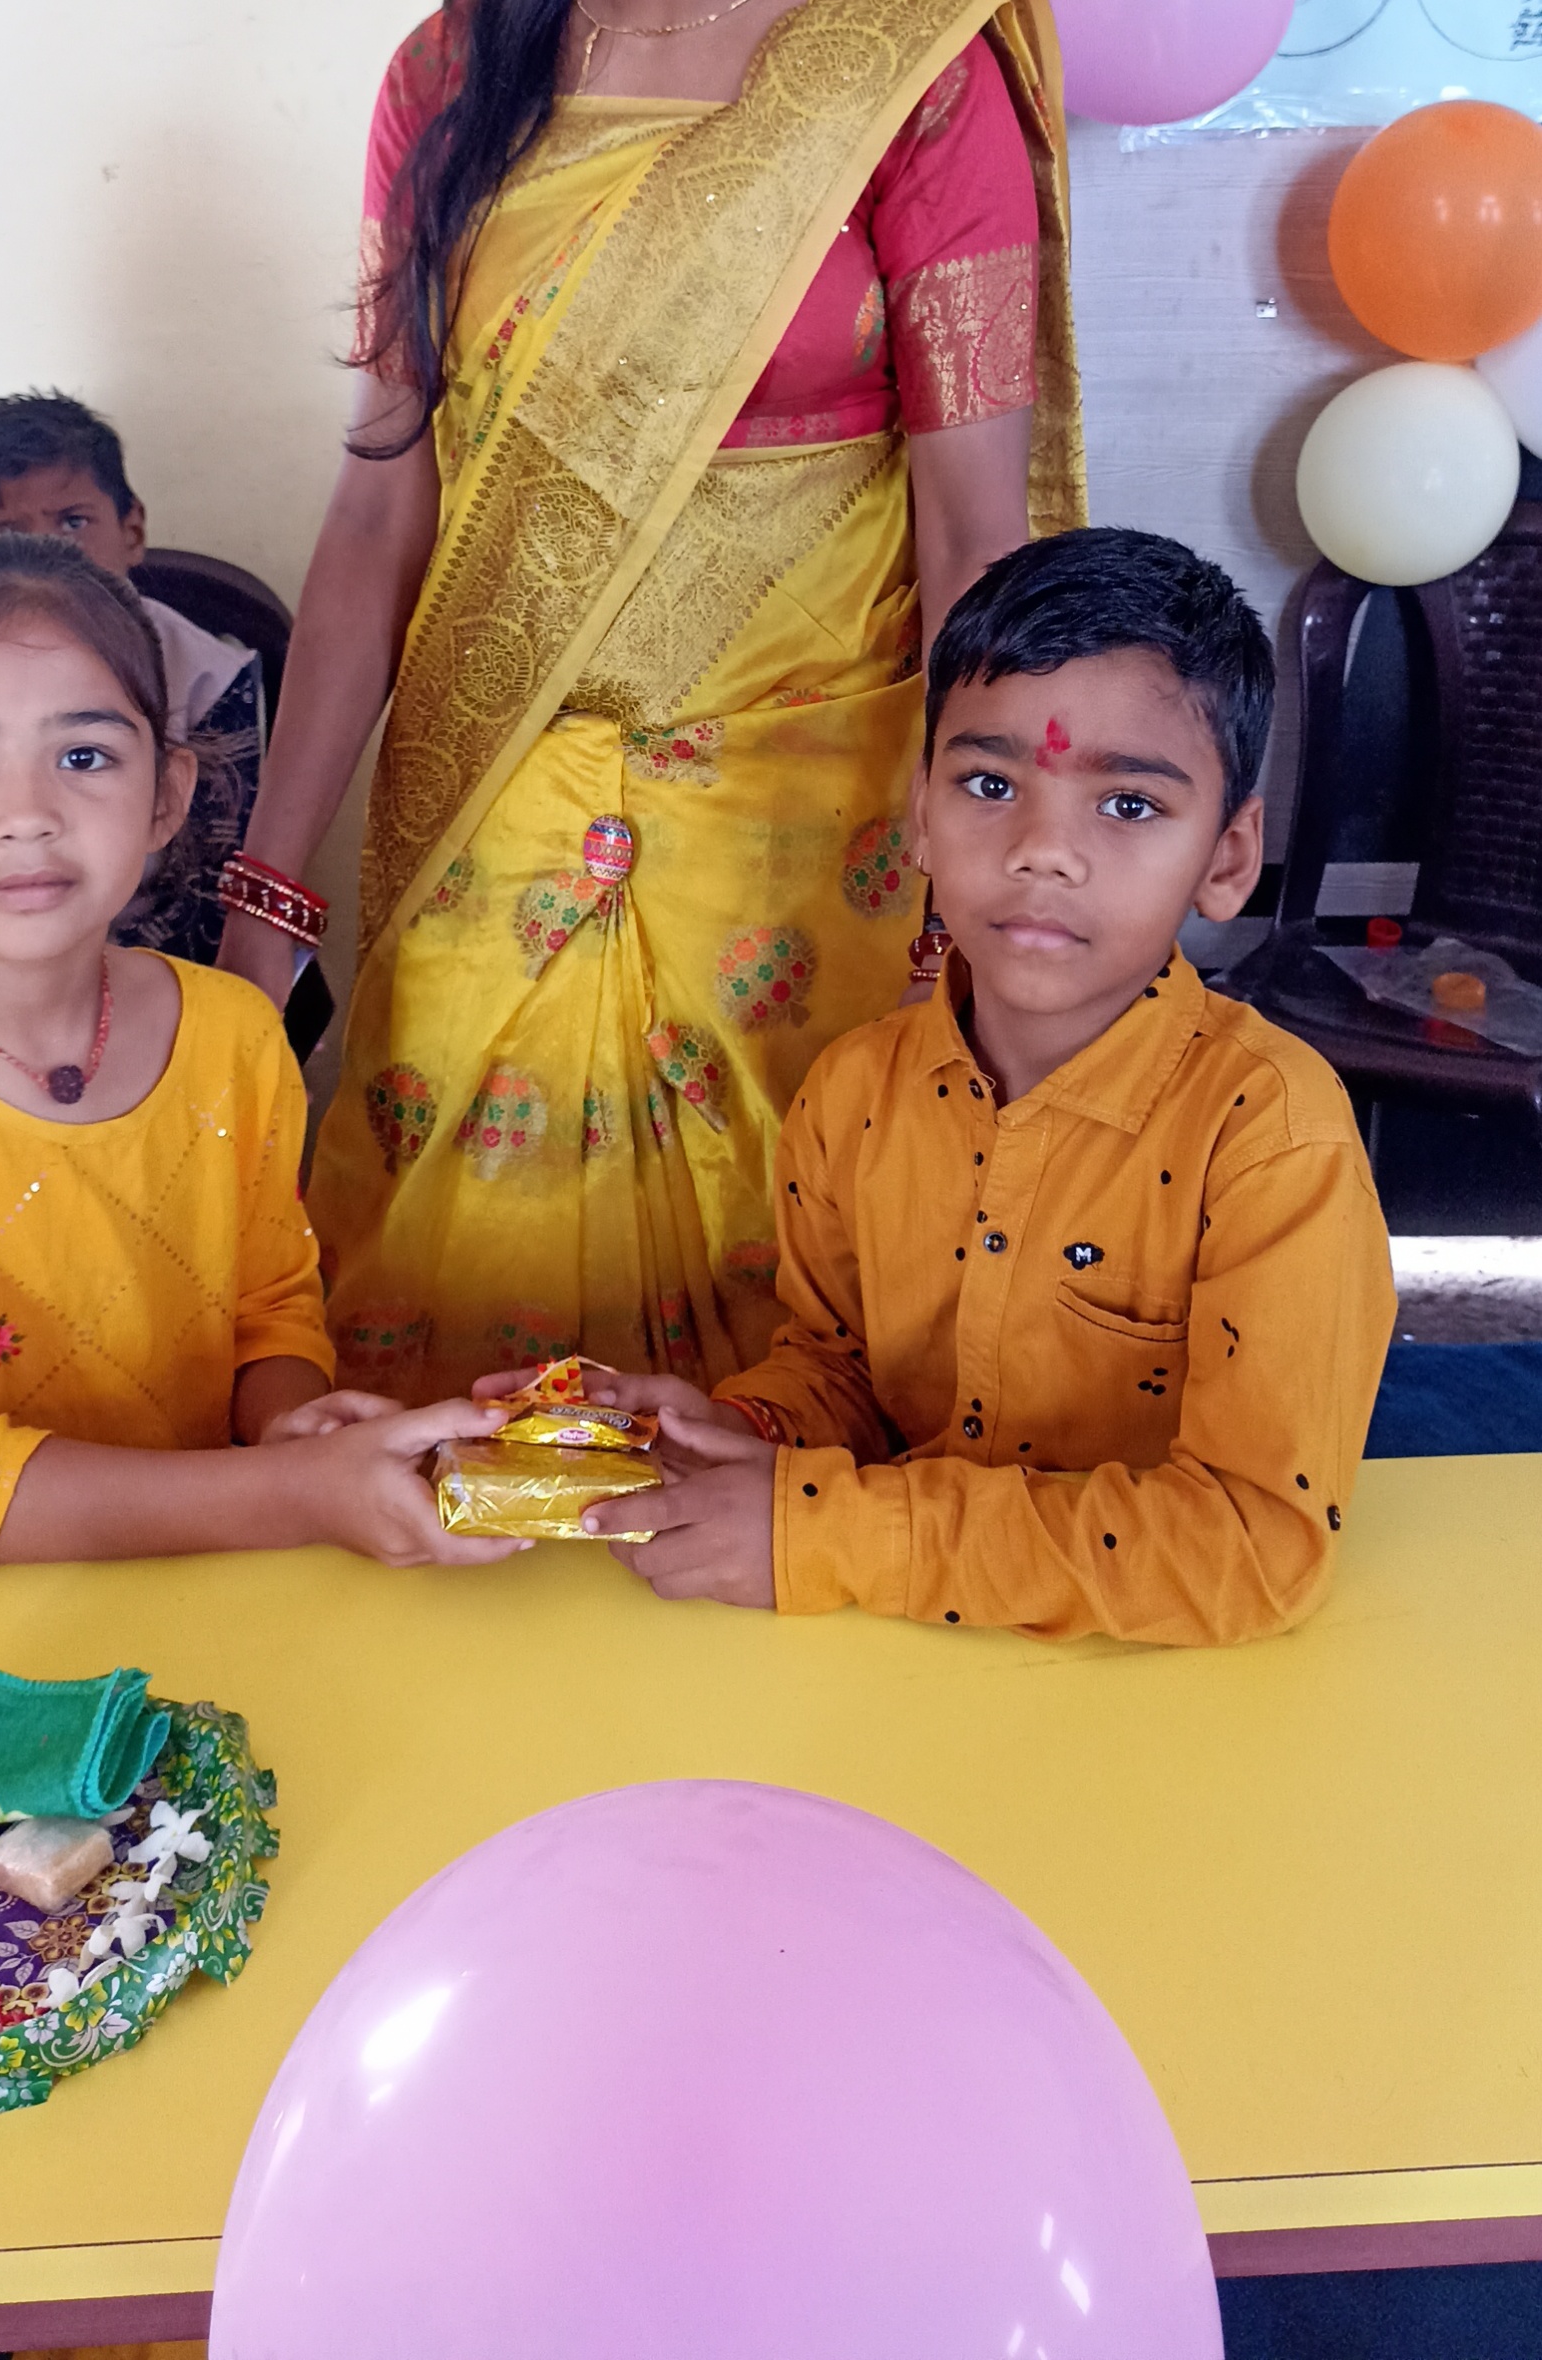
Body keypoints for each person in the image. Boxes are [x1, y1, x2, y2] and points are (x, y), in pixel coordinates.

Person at [221, 0, 1087, 1404]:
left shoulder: (914, 83)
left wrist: (993, 910)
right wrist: (266, 915)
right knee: (446, 1415)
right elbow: (378, 513)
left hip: (815, 875)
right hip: (490, 845)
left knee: (796, 1408)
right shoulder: (448, 81)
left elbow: (980, 541)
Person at [565, 530, 1397, 1646]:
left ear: (1229, 856)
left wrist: (831, 1535)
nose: (1042, 850)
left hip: (1153, 1688)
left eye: (1128, 805)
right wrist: (740, 1428)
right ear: (920, 815)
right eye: (990, 783)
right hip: (890, 1657)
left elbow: (1255, 1547)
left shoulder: (1273, 1141)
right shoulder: (853, 1095)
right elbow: (845, 1374)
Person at [0, 536, 514, 1571]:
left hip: (186, 1583)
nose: (25, 816)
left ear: (166, 796)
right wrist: (296, 1492)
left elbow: (271, 1315)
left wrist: (295, 1424)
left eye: (84, 756)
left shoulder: (233, 1033)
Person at [0, 391, 262, 969]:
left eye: (74, 522)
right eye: (9, 531)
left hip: (172, 964)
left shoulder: (211, 677)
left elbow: (217, 881)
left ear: (131, 530)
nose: (47, 552)